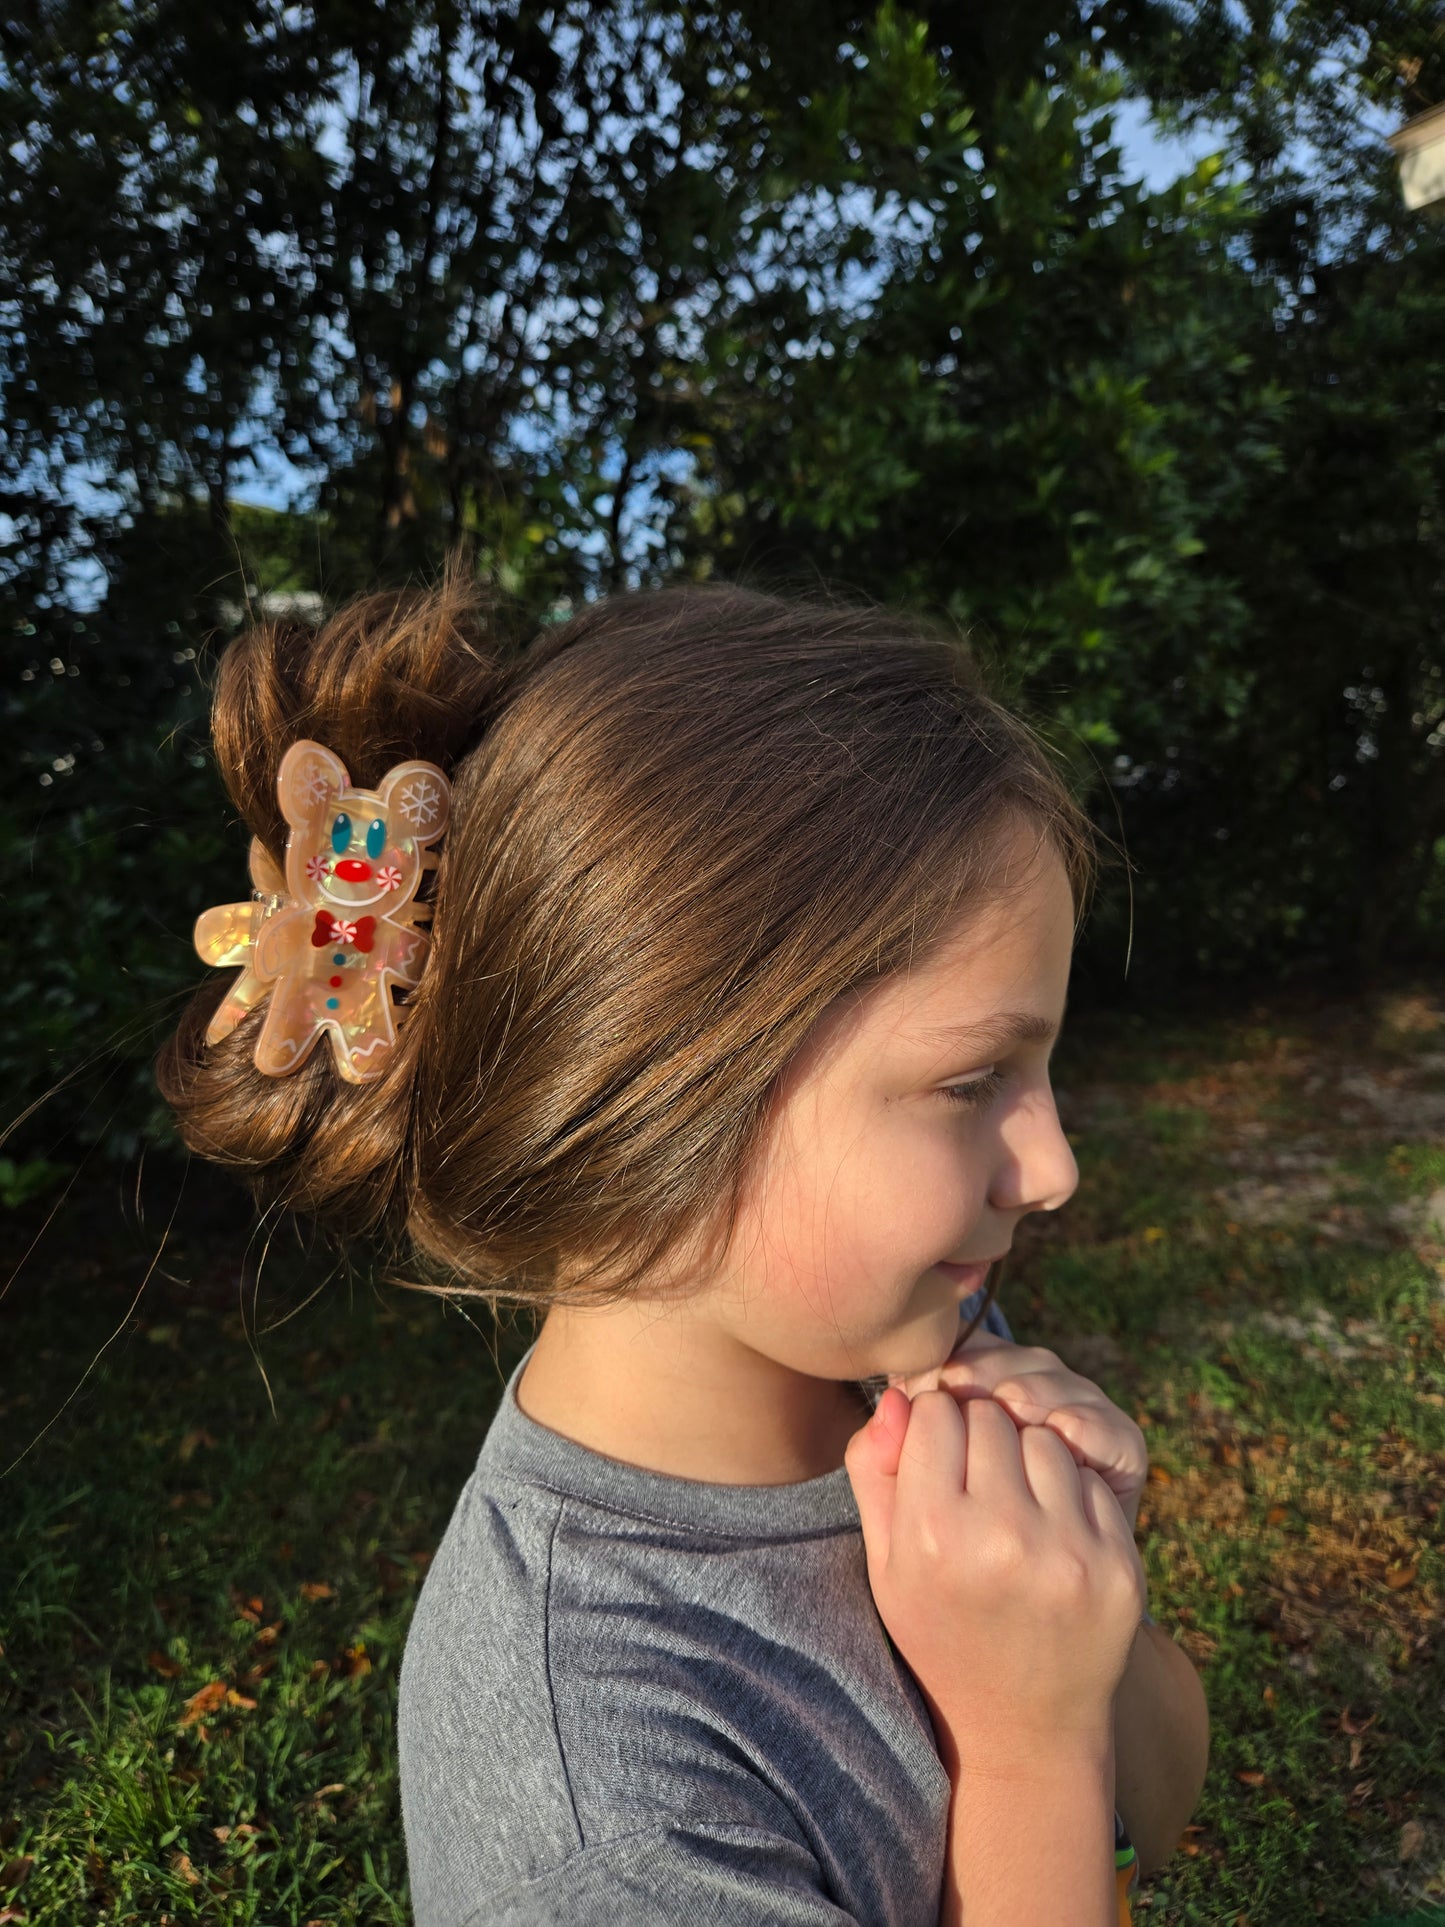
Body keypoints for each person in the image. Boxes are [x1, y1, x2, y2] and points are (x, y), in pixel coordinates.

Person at [159, 552, 1210, 1925]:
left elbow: (1164, 1805)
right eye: (971, 1083)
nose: (1055, 1167)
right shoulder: (593, 1805)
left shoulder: (899, 1350)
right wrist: (1025, 1747)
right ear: (652, 1087)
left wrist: (1080, 1608)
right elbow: (1065, 1784)